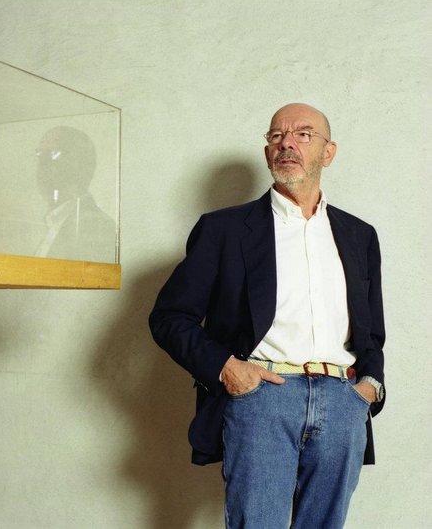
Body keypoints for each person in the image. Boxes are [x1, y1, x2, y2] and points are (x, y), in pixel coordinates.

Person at [148, 103, 385, 528]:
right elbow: (169, 317)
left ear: (328, 153)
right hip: (262, 398)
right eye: (277, 136)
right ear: (267, 152)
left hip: (343, 400)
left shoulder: (359, 235)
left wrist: (368, 388)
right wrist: (228, 369)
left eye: (303, 134)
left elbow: (371, 333)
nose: (287, 143)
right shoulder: (223, 229)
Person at [34, 126, 116, 262]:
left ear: (82, 166)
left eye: (54, 154)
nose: (42, 164)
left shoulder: (98, 227)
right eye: (40, 155)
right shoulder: (51, 223)